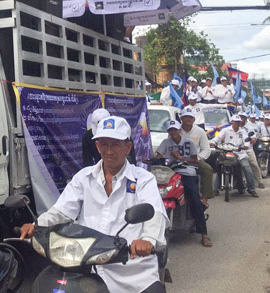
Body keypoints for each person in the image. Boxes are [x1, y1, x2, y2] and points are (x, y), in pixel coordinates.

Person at [20, 116, 167, 293]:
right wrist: (37, 226)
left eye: (115, 144)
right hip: (85, 265)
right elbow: (61, 211)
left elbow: (155, 214)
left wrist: (147, 240)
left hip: (132, 268)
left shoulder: (143, 180)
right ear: (97, 146)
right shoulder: (83, 177)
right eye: (104, 144)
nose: (109, 151)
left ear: (127, 147)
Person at [155, 120, 212, 247]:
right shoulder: (165, 142)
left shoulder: (189, 142)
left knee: (195, 202)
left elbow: (195, 160)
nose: (173, 132)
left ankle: (204, 234)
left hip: (188, 173)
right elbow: (158, 156)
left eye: (175, 129)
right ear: (168, 131)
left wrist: (180, 159)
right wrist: (149, 160)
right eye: (170, 130)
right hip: (170, 174)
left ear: (179, 130)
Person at [210, 115, 258, 198]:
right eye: (235, 121)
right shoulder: (225, 130)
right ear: (231, 122)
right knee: (219, 167)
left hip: (240, 154)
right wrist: (213, 142)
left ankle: (252, 189)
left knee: (247, 169)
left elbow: (246, 141)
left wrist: (246, 145)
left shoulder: (243, 132)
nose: (237, 123)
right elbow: (218, 138)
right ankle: (216, 188)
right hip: (226, 152)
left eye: (239, 122)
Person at [180, 107, 214, 206]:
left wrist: (197, 158)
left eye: (190, 117)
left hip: (195, 160)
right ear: (181, 118)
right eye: (186, 117)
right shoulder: (176, 130)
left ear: (194, 119)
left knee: (208, 170)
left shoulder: (200, 131)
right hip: (178, 159)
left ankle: (204, 197)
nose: (188, 119)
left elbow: (206, 149)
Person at [239, 111, 265, 188]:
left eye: (243, 117)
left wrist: (253, 139)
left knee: (254, 164)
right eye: (240, 117)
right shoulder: (234, 127)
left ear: (246, 118)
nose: (241, 119)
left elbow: (254, 137)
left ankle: (260, 181)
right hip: (237, 150)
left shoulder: (249, 128)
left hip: (248, 149)